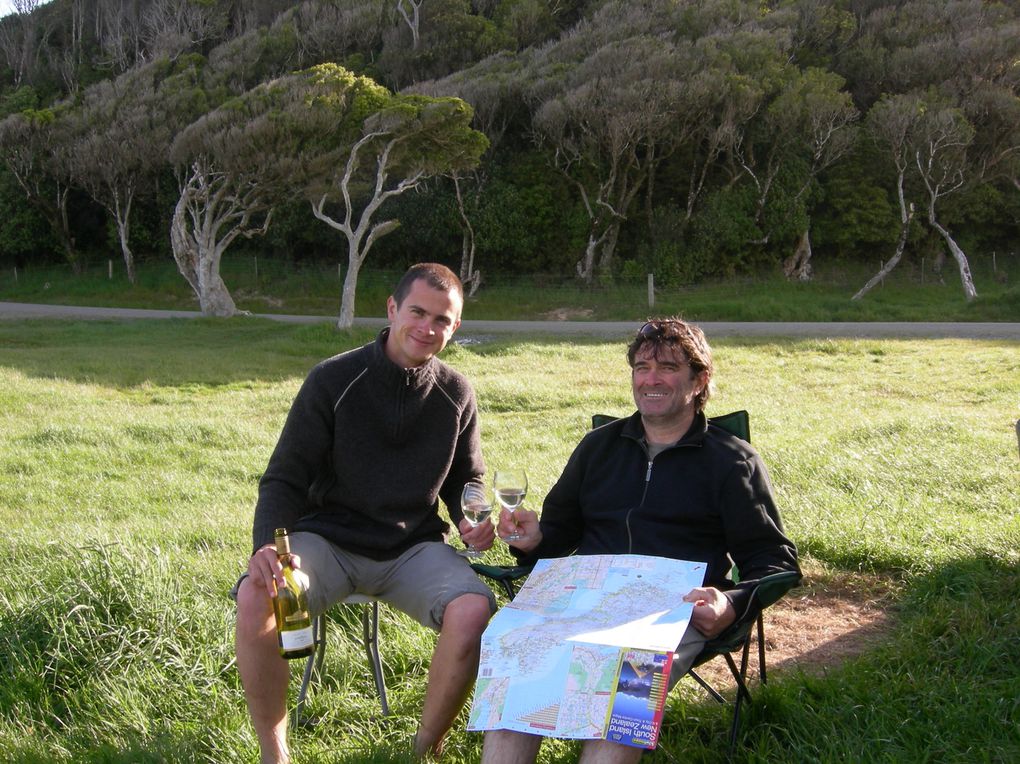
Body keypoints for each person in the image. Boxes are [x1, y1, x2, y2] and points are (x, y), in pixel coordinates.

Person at [483, 317, 800, 764]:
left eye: (668, 367)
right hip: (583, 599)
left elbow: (774, 559)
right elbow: (559, 532)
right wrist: (534, 539)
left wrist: (730, 603)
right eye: (642, 366)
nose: (651, 379)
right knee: (519, 654)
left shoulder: (732, 461)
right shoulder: (599, 447)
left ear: (699, 379)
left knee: (623, 689)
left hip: (668, 612)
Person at [232, 263, 497, 763]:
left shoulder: (456, 393)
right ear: (393, 309)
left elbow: (468, 478)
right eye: (417, 312)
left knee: (473, 609)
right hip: (328, 542)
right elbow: (284, 476)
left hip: (413, 549)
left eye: (442, 319)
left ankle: (423, 749)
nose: (428, 327)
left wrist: (473, 516)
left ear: (455, 327)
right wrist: (266, 544)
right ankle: (274, 752)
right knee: (256, 596)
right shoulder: (333, 380)